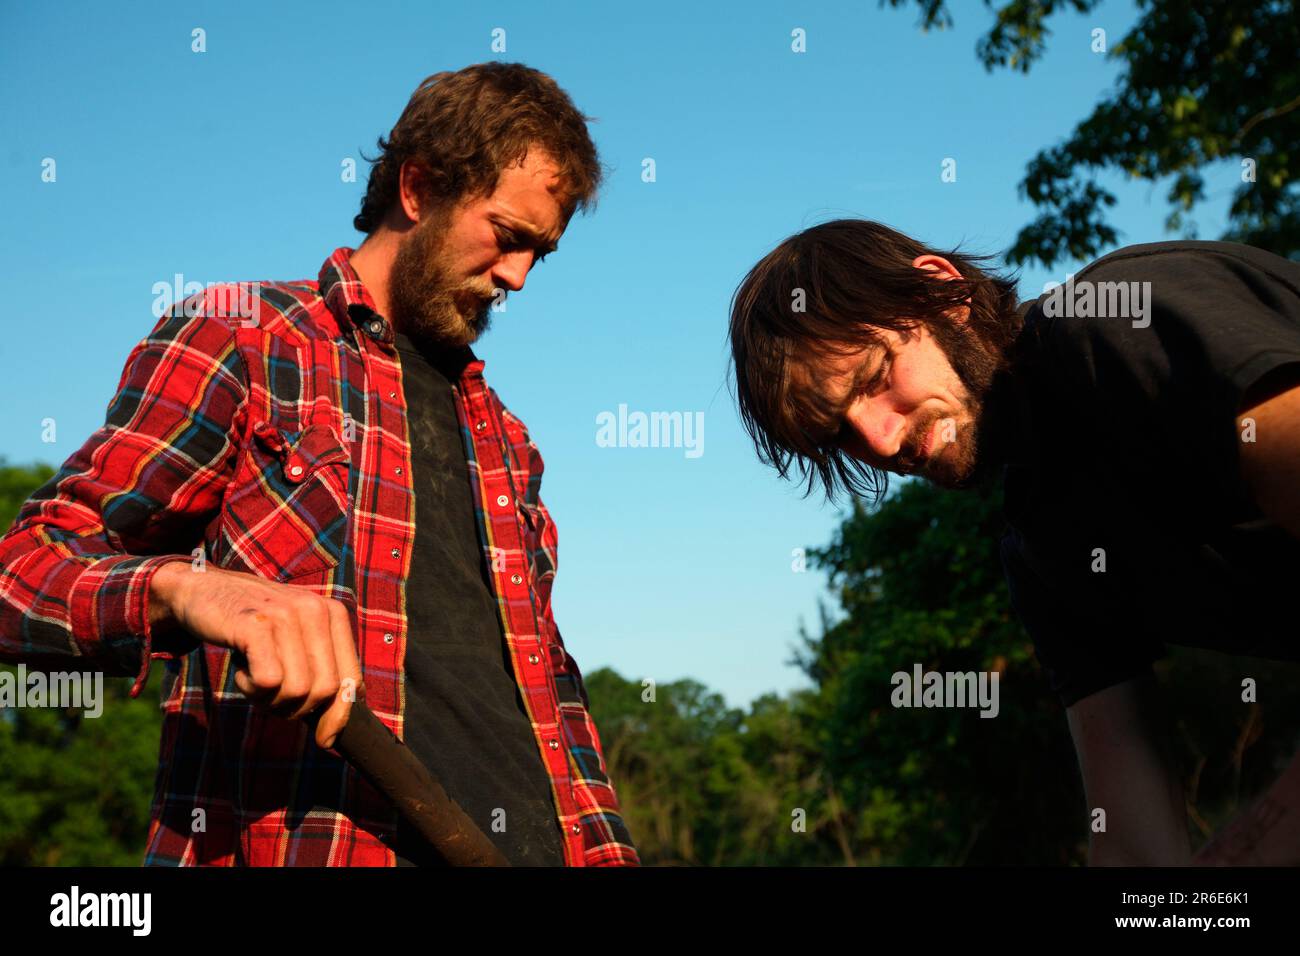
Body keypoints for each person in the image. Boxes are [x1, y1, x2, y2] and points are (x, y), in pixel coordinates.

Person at [0, 62, 639, 867]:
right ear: (419, 187)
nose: (516, 276)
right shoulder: (242, 339)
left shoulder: (509, 443)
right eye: (508, 236)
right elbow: (21, 576)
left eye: (538, 255)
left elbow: (556, 698)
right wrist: (191, 591)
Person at [728, 218, 1300, 865]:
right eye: (842, 432)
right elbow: (1137, 847)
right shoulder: (1042, 556)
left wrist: (1262, 845)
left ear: (945, 292)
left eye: (873, 376)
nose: (882, 442)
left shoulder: (1114, 325)